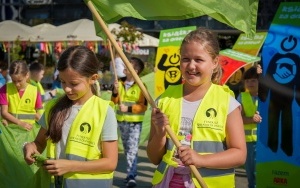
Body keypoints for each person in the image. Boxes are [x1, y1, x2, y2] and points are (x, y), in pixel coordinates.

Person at [146, 27, 246, 188]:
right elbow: (154, 158)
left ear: (214, 62)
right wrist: (160, 134)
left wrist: (201, 159)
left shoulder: (227, 103)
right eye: (185, 59)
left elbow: (240, 154)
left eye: (199, 60)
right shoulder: (164, 100)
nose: (191, 66)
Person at [23, 45, 118, 188]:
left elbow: (110, 162)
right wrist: (29, 146)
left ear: (93, 78)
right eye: (62, 81)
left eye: (74, 83)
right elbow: (39, 143)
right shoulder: (52, 108)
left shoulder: (104, 111)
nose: (66, 88)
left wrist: (71, 166)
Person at [0, 60, 43, 188]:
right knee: (10, 164)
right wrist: (20, 123)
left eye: (20, 80)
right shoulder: (5, 89)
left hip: (29, 133)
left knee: (26, 163)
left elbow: (39, 113)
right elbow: (4, 112)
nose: (17, 84)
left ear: (27, 76)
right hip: (9, 133)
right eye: (14, 81)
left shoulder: (34, 91)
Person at [111, 57, 148, 187]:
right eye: (125, 65)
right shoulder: (119, 83)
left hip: (135, 123)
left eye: (128, 66)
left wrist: (129, 108)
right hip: (121, 121)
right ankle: (130, 174)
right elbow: (114, 101)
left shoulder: (142, 86)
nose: (125, 68)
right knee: (127, 150)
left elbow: (143, 106)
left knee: (132, 150)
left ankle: (131, 176)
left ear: (135, 71)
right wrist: (115, 91)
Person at [237, 66, 262, 188]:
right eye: (247, 80)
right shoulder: (242, 97)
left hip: (264, 142)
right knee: (251, 173)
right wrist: (251, 119)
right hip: (248, 143)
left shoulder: (267, 96)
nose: (250, 83)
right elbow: (238, 119)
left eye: (253, 80)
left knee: (262, 172)